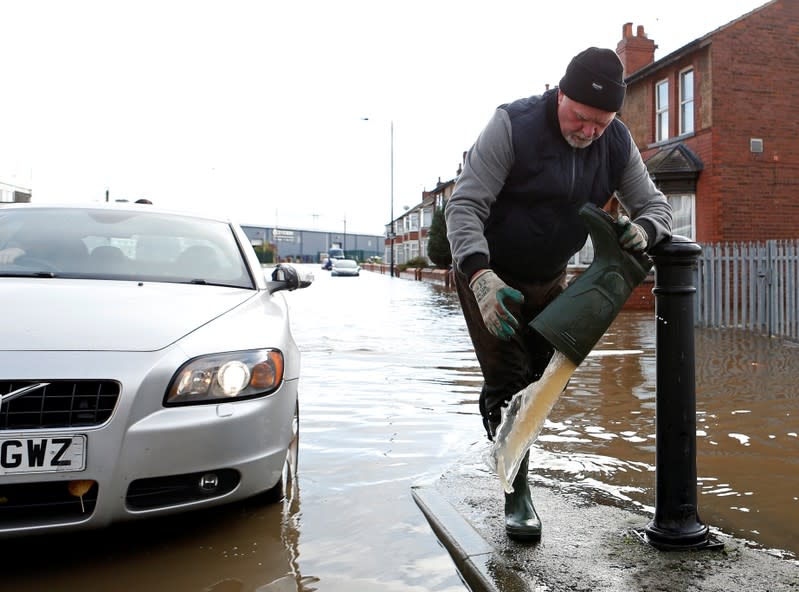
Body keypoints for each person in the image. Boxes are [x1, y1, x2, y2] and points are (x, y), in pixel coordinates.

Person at [445, 47, 673, 543]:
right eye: (580, 117)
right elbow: (463, 207)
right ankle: (517, 492)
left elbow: (655, 205)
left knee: (545, 379)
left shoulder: (616, 143)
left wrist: (646, 229)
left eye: (602, 121)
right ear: (560, 93)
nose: (589, 131)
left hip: (550, 277)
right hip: (490, 272)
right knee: (510, 379)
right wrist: (481, 278)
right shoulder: (513, 125)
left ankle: (504, 424)